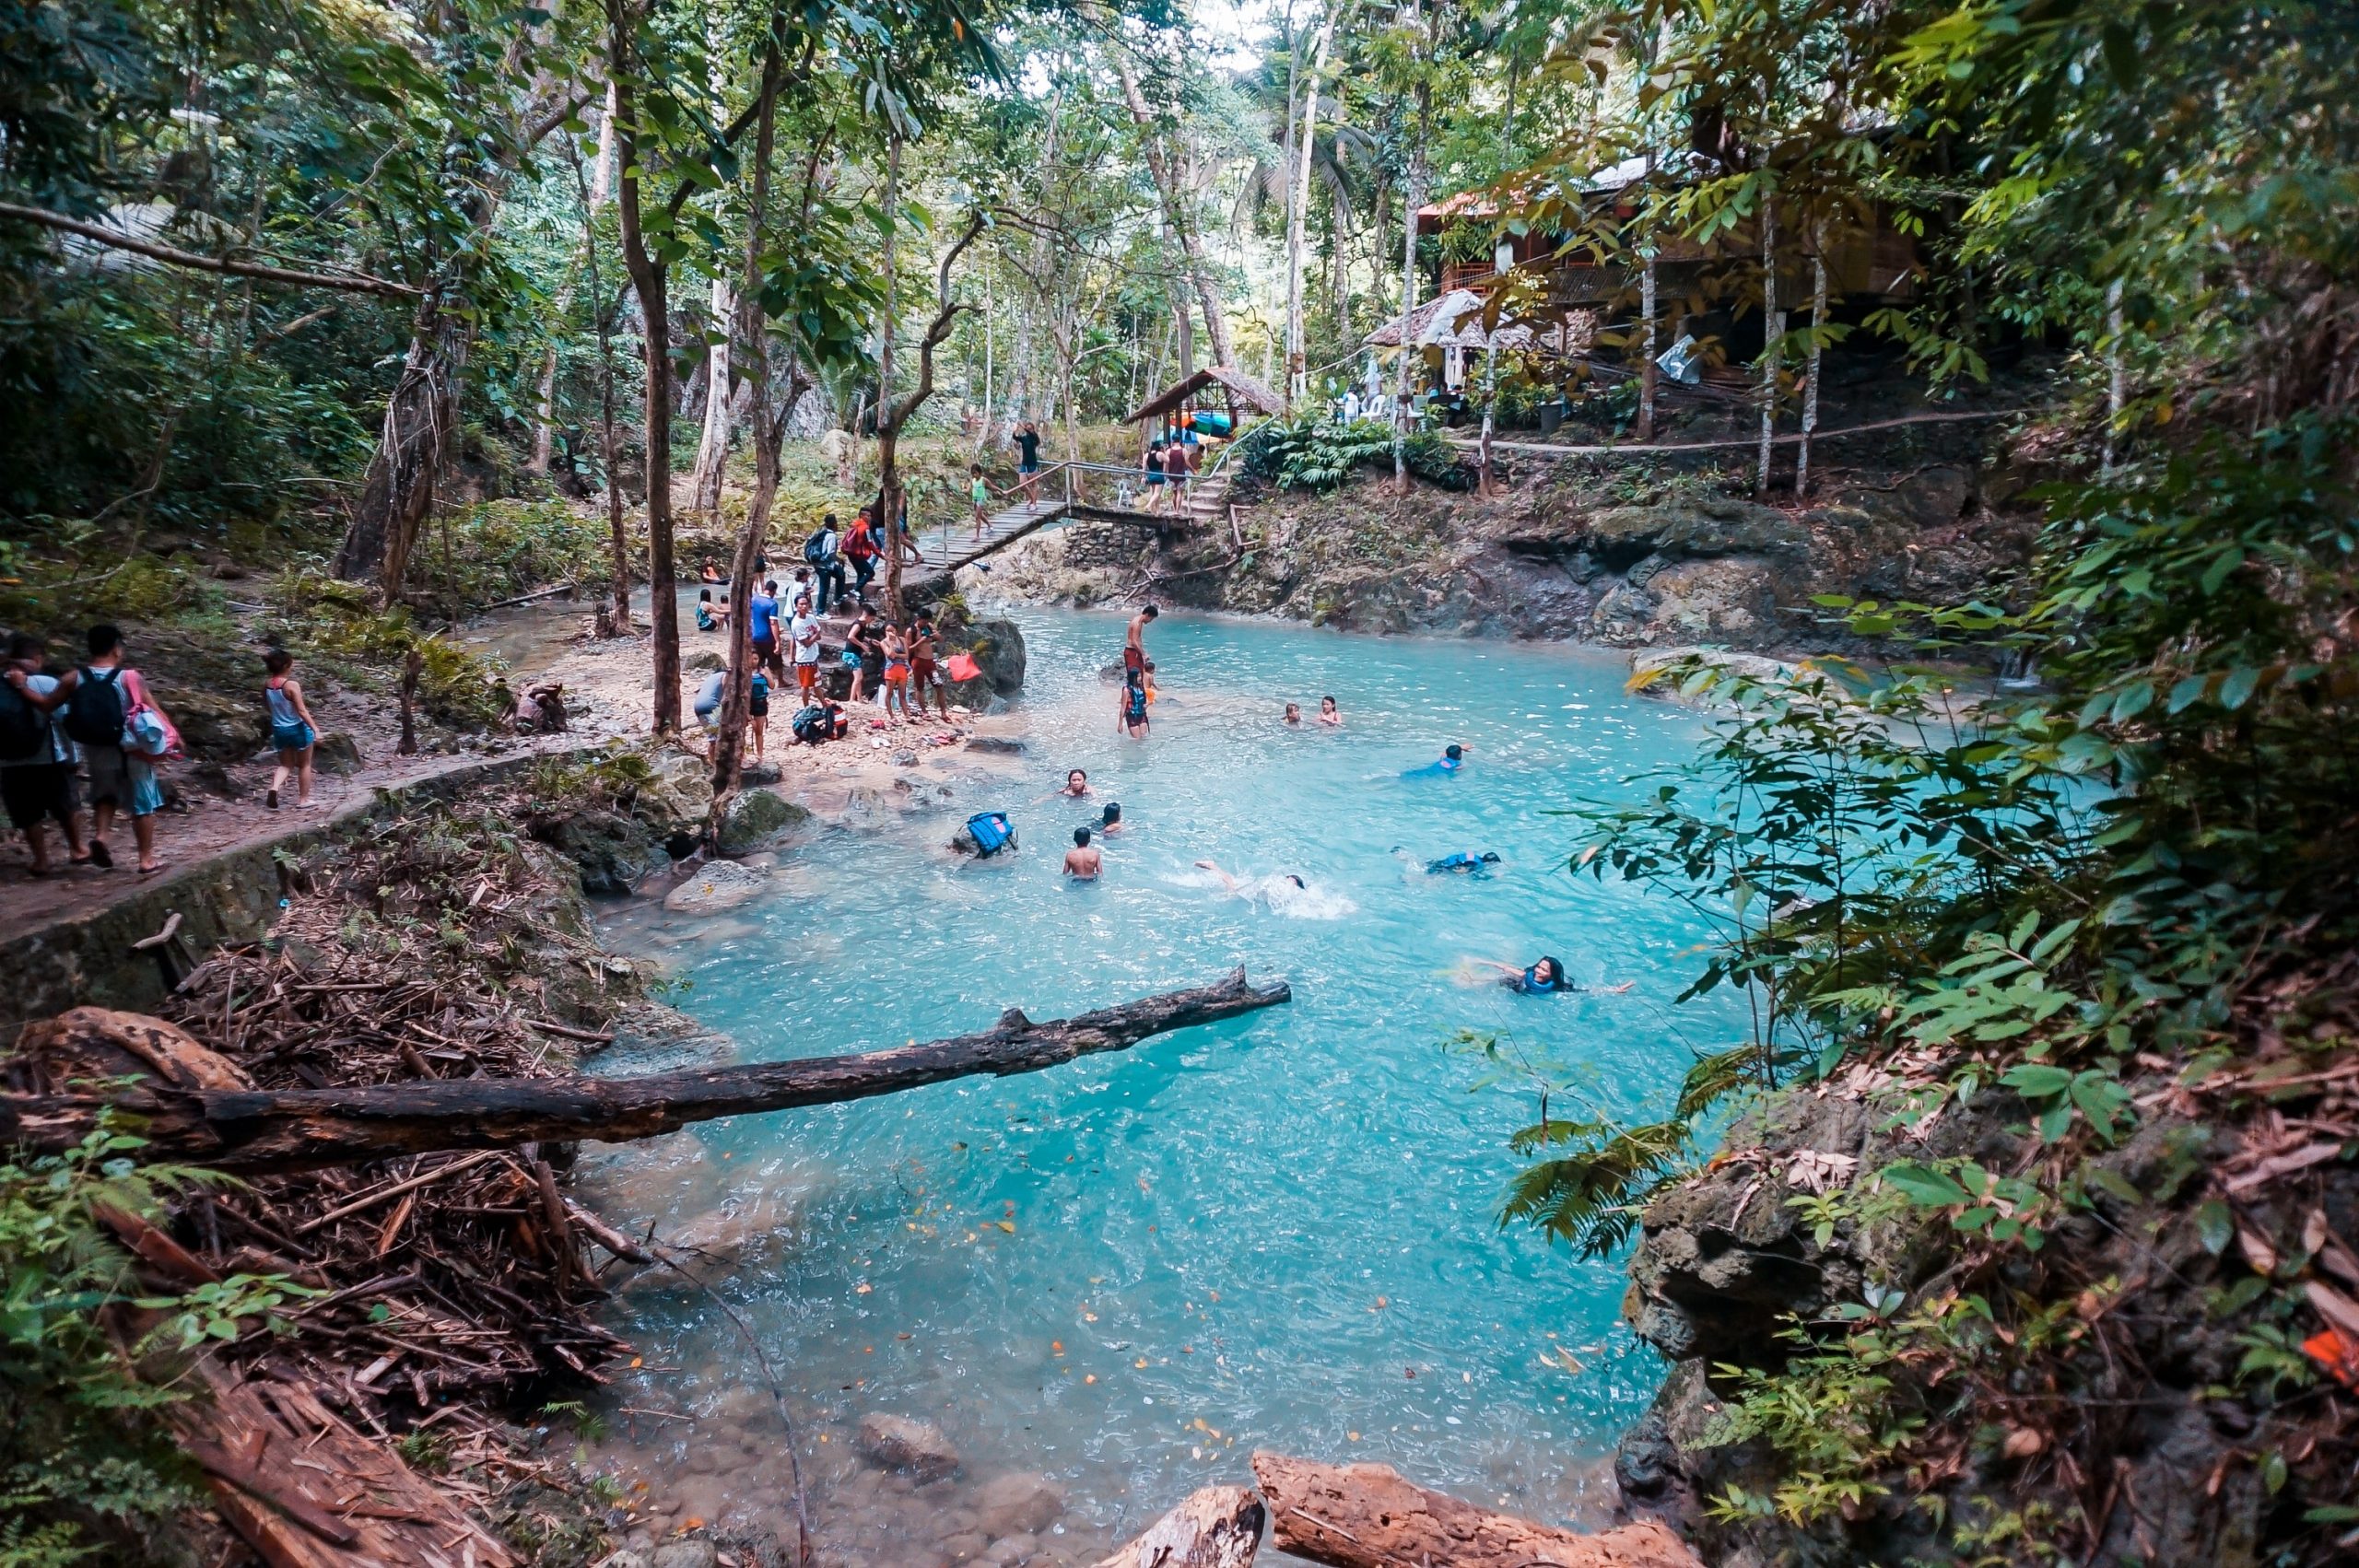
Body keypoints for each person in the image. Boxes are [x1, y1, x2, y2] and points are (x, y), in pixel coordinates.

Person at [41, 626, 168, 873]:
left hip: (97, 748)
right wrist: (174, 736)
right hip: (133, 749)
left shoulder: (73, 678)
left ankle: (101, 836)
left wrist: (22, 687)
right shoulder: (130, 677)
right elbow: (152, 710)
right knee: (143, 802)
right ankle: (146, 859)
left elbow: (47, 705)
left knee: (104, 795)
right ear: (116, 648)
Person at [1, 632, 88, 877]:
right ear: (37, 657)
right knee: (65, 805)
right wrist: (73, 756)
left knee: (26, 813)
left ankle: (41, 860)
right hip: (49, 758)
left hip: (9, 762)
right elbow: (63, 722)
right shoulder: (45, 683)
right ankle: (78, 849)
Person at [262, 649, 318, 811]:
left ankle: (274, 787)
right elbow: (301, 710)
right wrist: (315, 728)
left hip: (279, 729)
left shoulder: (267, 684)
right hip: (298, 728)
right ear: (287, 665)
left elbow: (266, 704)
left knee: (285, 765)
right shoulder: (291, 685)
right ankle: (303, 800)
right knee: (305, 764)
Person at [1469, 956, 1635, 996]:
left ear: (1551, 975)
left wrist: (1615, 990)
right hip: (1517, 985)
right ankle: (1472, 981)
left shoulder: (1556, 987)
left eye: (1544, 970)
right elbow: (1504, 966)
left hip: (1529, 993)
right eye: (1539, 967)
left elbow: (1587, 991)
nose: (1539, 971)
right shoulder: (1527, 974)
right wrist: (1480, 961)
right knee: (1499, 979)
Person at [909, 614, 949, 720]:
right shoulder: (911, 631)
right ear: (919, 619)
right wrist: (920, 641)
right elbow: (908, 648)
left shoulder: (929, 626)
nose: (926, 624)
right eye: (924, 622)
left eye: (927, 622)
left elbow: (941, 639)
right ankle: (924, 711)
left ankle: (943, 712)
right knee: (920, 687)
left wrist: (936, 635)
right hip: (918, 661)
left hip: (930, 662)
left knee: (939, 686)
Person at [847, 605, 886, 703]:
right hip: (851, 654)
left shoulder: (863, 625)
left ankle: (859, 698)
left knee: (858, 677)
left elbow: (860, 636)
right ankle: (851, 700)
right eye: (872, 618)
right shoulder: (858, 624)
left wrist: (870, 640)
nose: (872, 621)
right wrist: (862, 646)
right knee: (858, 677)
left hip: (855, 653)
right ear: (867, 616)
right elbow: (850, 636)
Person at [746, 581, 784, 679]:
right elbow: (773, 623)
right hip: (767, 637)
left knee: (758, 659)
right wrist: (777, 641)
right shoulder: (772, 604)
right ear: (774, 591)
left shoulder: (754, 599)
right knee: (776, 660)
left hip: (754, 635)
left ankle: (757, 680)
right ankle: (780, 681)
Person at [806, 514, 844, 613]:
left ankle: (838, 598)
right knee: (824, 589)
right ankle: (821, 611)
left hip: (819, 564)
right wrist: (839, 560)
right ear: (835, 524)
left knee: (841, 574)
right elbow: (830, 552)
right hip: (825, 566)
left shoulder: (821, 533)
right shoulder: (831, 536)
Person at [788, 593, 823, 699]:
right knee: (805, 685)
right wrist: (816, 634)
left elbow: (818, 637)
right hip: (804, 658)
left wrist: (815, 636)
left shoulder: (811, 617)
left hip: (813, 655)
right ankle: (806, 707)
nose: (804, 606)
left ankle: (823, 704)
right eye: (801, 604)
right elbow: (806, 643)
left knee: (817, 684)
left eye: (806, 604)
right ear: (796, 606)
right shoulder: (796, 623)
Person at [844, 508, 880, 602]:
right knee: (870, 572)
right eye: (867, 516)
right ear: (861, 516)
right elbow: (870, 543)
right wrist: (880, 554)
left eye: (870, 516)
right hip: (858, 555)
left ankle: (860, 598)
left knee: (860, 573)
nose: (869, 518)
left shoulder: (854, 525)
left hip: (851, 554)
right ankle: (855, 589)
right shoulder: (865, 528)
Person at [881, 624, 913, 722]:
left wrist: (897, 655)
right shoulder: (883, 642)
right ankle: (891, 715)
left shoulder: (902, 640)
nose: (890, 633)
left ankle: (906, 714)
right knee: (889, 693)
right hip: (891, 669)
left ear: (896, 631)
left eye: (892, 630)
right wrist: (891, 643)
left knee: (902, 694)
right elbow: (890, 655)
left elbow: (906, 656)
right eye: (887, 630)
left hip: (902, 669)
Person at [1124, 603, 1157, 679]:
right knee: (1135, 676)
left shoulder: (1138, 620)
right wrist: (1144, 654)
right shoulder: (1137, 623)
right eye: (1151, 619)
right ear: (1147, 615)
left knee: (1141, 674)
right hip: (1132, 651)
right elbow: (1134, 641)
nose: (1150, 621)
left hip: (1135, 651)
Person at [1015, 420, 1043, 501]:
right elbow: (1018, 445)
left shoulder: (1035, 438)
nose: (1028, 430)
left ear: (1033, 430)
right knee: (1022, 484)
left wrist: (1022, 425)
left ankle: (1033, 503)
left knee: (1033, 484)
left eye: (1030, 429)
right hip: (1024, 463)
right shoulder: (1024, 438)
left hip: (1032, 463)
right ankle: (1032, 499)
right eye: (1028, 429)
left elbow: (1036, 441)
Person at [1402, 743, 1467, 778]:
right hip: (1433, 775)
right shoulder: (1457, 764)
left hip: (1427, 770)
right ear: (1459, 755)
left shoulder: (1443, 759)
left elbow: (1444, 753)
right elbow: (1457, 770)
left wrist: (1461, 748)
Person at [692, 667, 728, 731]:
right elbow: (727, 694)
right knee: (723, 734)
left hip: (697, 707)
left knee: (713, 735)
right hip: (711, 706)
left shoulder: (710, 678)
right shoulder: (725, 675)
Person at [1118, 670, 1149, 739]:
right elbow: (1123, 708)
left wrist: (1146, 705)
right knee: (1137, 740)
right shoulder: (1127, 690)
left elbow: (1143, 701)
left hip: (1142, 715)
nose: (1140, 678)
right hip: (1132, 716)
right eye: (1138, 676)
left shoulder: (1141, 687)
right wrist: (1120, 724)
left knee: (1144, 738)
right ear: (1133, 677)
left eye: (1140, 676)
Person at [748, 669, 770, 760]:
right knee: (742, 730)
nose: (753, 661)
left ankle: (760, 755)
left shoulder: (764, 670)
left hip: (761, 703)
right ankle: (743, 755)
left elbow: (772, 685)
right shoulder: (745, 671)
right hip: (747, 703)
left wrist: (766, 676)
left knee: (759, 730)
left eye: (756, 658)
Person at [969, 463, 992, 539]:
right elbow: (969, 489)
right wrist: (964, 490)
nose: (974, 475)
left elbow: (992, 486)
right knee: (980, 515)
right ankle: (989, 525)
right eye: (973, 473)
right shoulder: (972, 481)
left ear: (980, 473)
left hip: (981, 499)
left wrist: (1001, 490)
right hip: (975, 499)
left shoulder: (983, 480)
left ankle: (977, 536)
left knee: (977, 517)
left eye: (975, 473)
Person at [1143, 441, 1166, 513]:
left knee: (1154, 494)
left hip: (1151, 475)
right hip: (1159, 475)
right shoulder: (1160, 454)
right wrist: (1164, 451)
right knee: (1157, 493)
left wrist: (1143, 477)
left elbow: (1144, 468)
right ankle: (1148, 505)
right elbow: (1168, 460)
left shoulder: (1146, 455)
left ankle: (1156, 511)